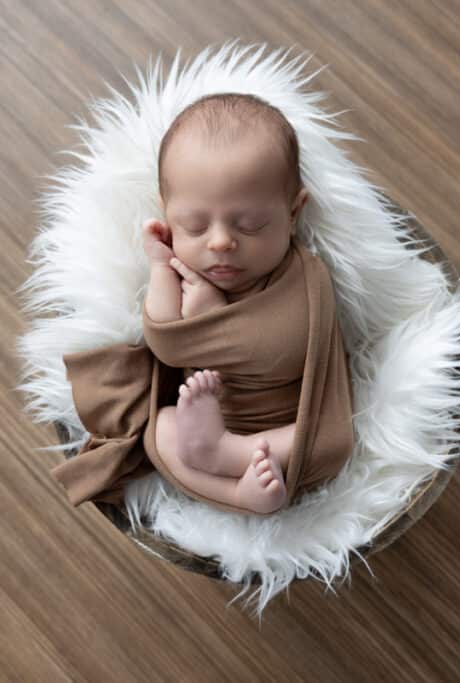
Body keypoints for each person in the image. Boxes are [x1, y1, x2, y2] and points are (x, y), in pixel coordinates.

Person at [141, 93, 317, 513]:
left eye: (252, 224)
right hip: (206, 425)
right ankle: (238, 494)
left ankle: (225, 455)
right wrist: (160, 265)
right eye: (195, 224)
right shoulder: (186, 273)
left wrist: (214, 323)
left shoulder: (299, 278)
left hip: (285, 425)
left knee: (327, 432)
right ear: (167, 214)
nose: (220, 242)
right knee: (162, 431)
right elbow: (165, 340)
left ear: (293, 213)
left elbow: (290, 349)